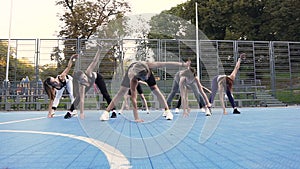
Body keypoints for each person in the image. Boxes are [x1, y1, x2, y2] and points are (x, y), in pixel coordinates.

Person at [100, 60, 191, 122]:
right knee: (121, 91)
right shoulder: (133, 77)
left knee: (156, 90)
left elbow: (166, 63)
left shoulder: (150, 65)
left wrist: (183, 65)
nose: (145, 79)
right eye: (144, 78)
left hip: (144, 70)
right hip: (133, 73)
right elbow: (134, 98)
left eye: (146, 77)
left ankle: (167, 111)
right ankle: (106, 112)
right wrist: (136, 118)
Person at [71, 45, 116, 119]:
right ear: (80, 81)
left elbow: (95, 61)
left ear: (85, 75)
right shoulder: (82, 85)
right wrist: (82, 113)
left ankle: (113, 110)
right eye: (82, 79)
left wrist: (99, 50)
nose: (84, 79)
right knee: (79, 96)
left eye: (84, 77)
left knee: (105, 94)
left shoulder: (88, 72)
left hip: (98, 78)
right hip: (89, 83)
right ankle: (70, 110)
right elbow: (82, 100)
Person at [43, 53, 78, 118]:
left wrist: (71, 59)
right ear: (53, 84)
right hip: (61, 86)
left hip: (68, 81)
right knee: (57, 97)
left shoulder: (61, 77)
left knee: (71, 94)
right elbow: (52, 99)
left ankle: (74, 110)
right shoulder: (54, 87)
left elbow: (68, 67)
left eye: (55, 79)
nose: (56, 80)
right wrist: (50, 112)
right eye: (54, 81)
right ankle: (53, 110)